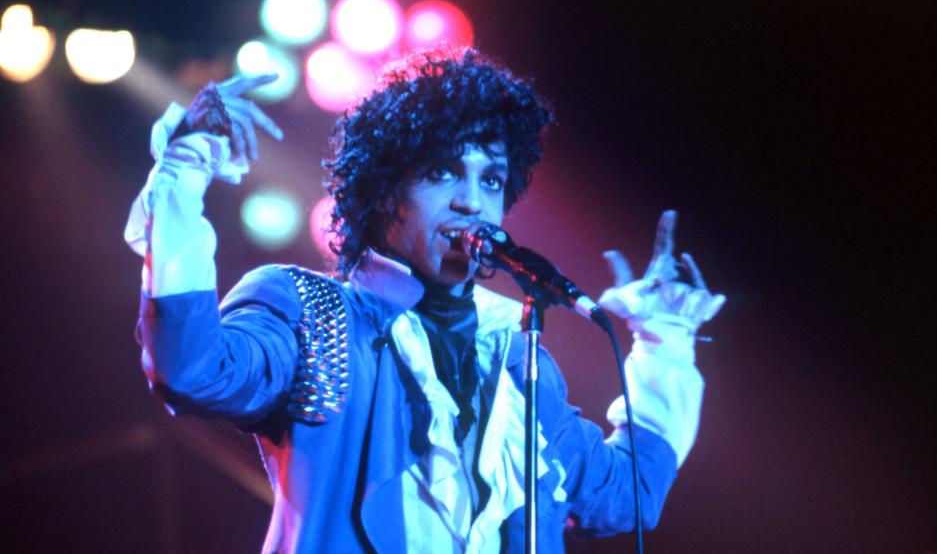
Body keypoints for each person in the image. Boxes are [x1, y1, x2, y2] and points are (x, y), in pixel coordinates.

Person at [124, 47, 725, 553]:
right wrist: (183, 175)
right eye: (443, 173)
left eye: (490, 179)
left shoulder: (517, 359)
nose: (472, 201)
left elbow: (625, 496)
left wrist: (664, 338)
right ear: (387, 195)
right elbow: (193, 370)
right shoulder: (313, 314)